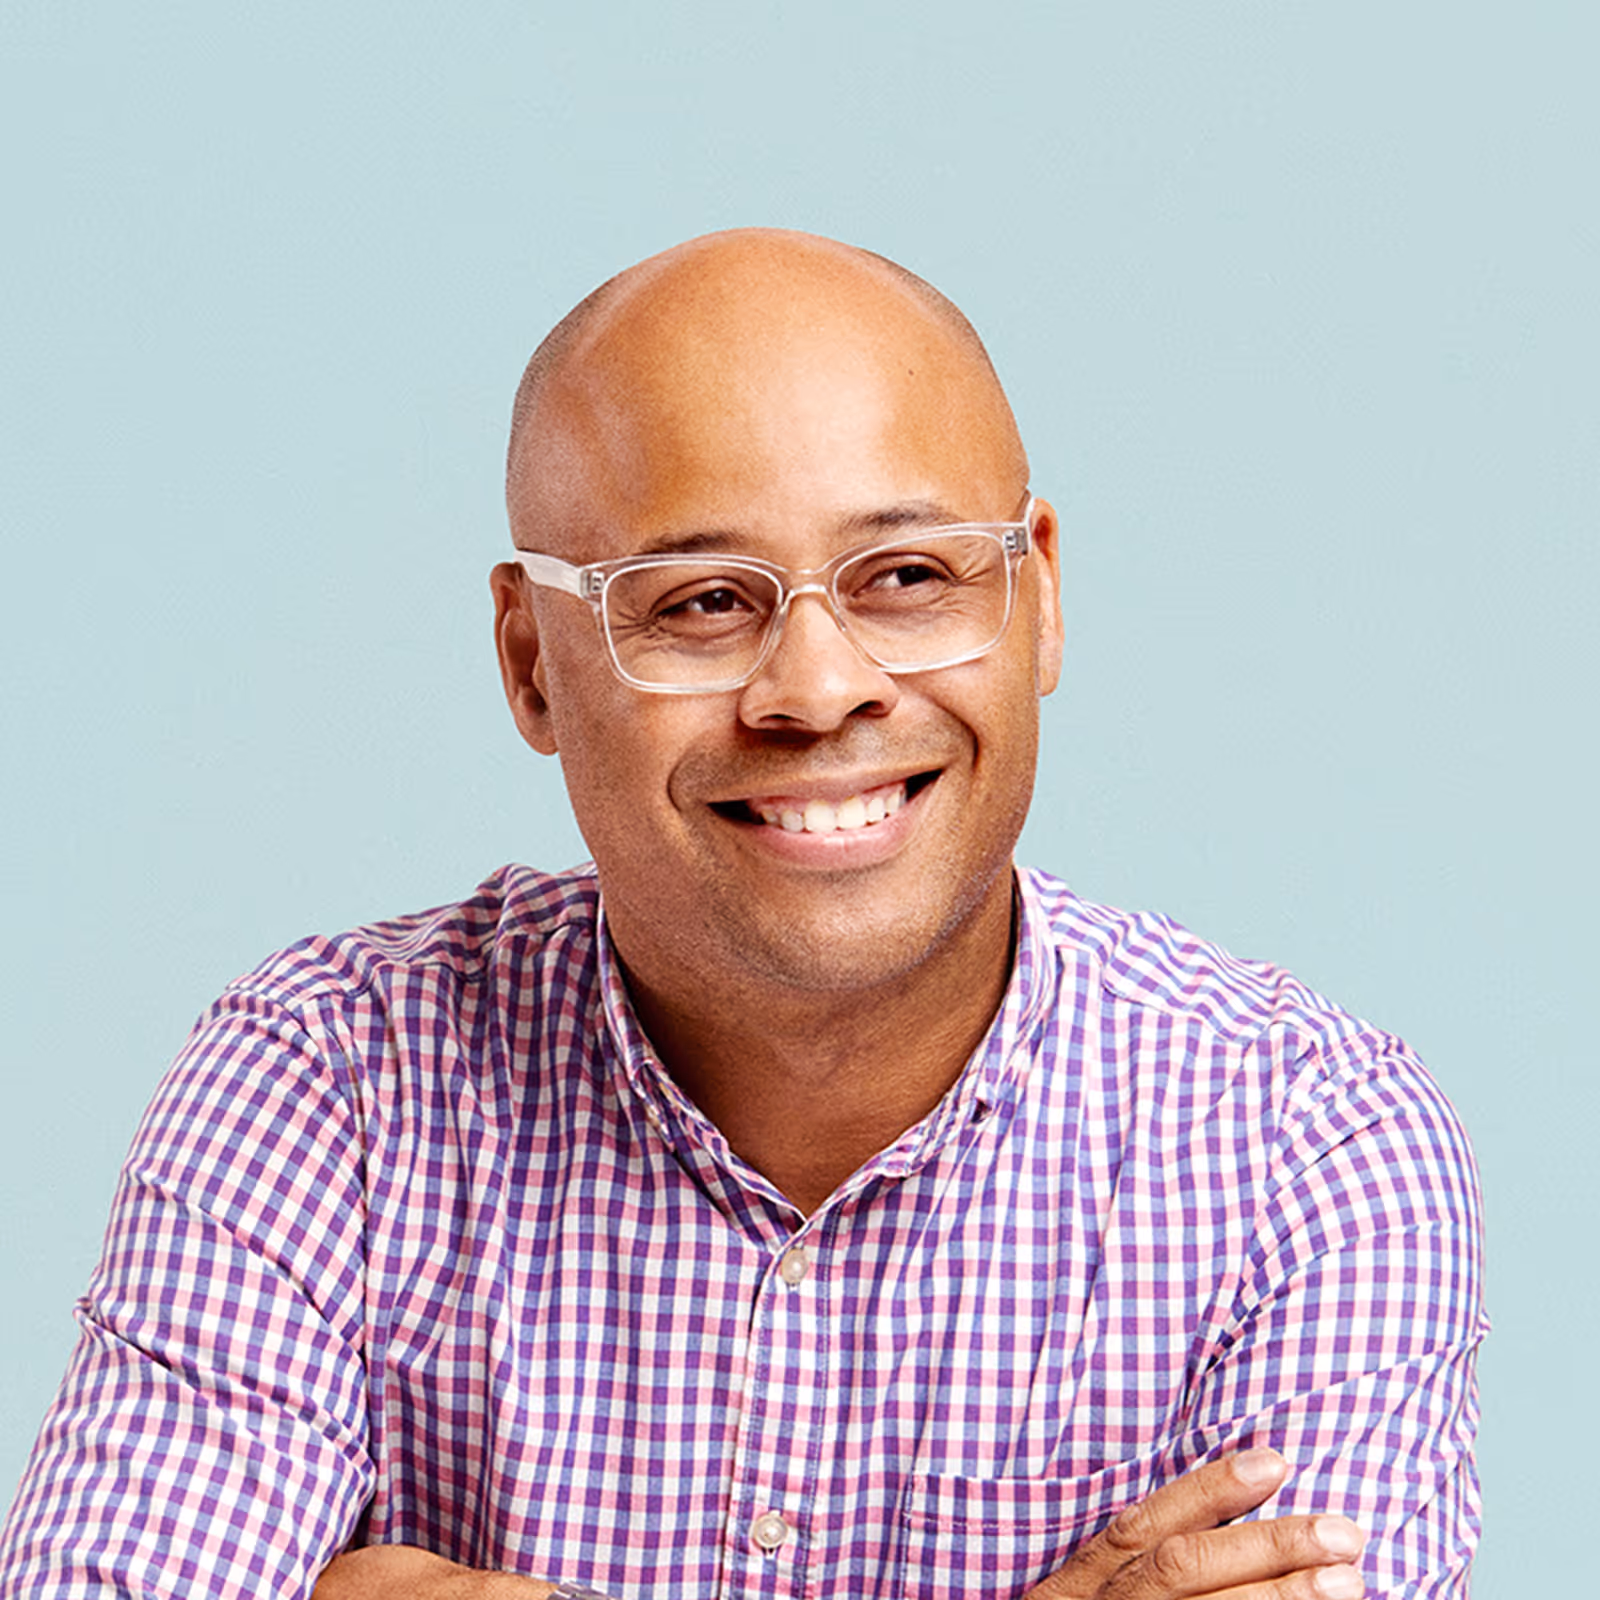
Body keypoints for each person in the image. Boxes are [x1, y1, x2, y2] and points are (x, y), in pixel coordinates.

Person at [0, 230, 1485, 1600]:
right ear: (530, 663)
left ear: (1038, 599)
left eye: (908, 576)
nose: (819, 689)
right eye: (702, 600)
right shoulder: (330, 1083)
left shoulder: (1304, 1150)